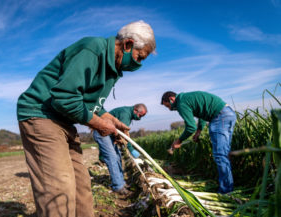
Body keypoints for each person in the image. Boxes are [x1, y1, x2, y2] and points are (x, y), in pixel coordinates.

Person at [17, 20, 156, 217]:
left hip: (64, 119)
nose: (138, 64)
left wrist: (111, 120)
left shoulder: (112, 68)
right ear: (127, 45)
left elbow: (92, 105)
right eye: (139, 57)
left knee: (81, 184)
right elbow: (64, 97)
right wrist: (100, 124)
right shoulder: (92, 50)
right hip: (41, 114)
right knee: (58, 186)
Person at [161, 91, 236, 194]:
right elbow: (202, 113)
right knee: (224, 153)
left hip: (220, 117)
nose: (169, 109)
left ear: (171, 99)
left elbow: (191, 127)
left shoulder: (181, 102)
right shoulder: (187, 98)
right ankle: (227, 186)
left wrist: (179, 140)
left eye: (168, 106)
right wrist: (199, 131)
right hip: (227, 113)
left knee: (220, 155)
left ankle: (226, 191)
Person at [93, 104, 147, 194]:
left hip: (108, 134)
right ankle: (118, 187)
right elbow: (124, 136)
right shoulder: (125, 114)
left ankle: (121, 182)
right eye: (140, 115)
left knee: (118, 156)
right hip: (102, 132)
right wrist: (131, 149)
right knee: (112, 158)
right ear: (135, 111)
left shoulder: (127, 113)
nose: (140, 118)